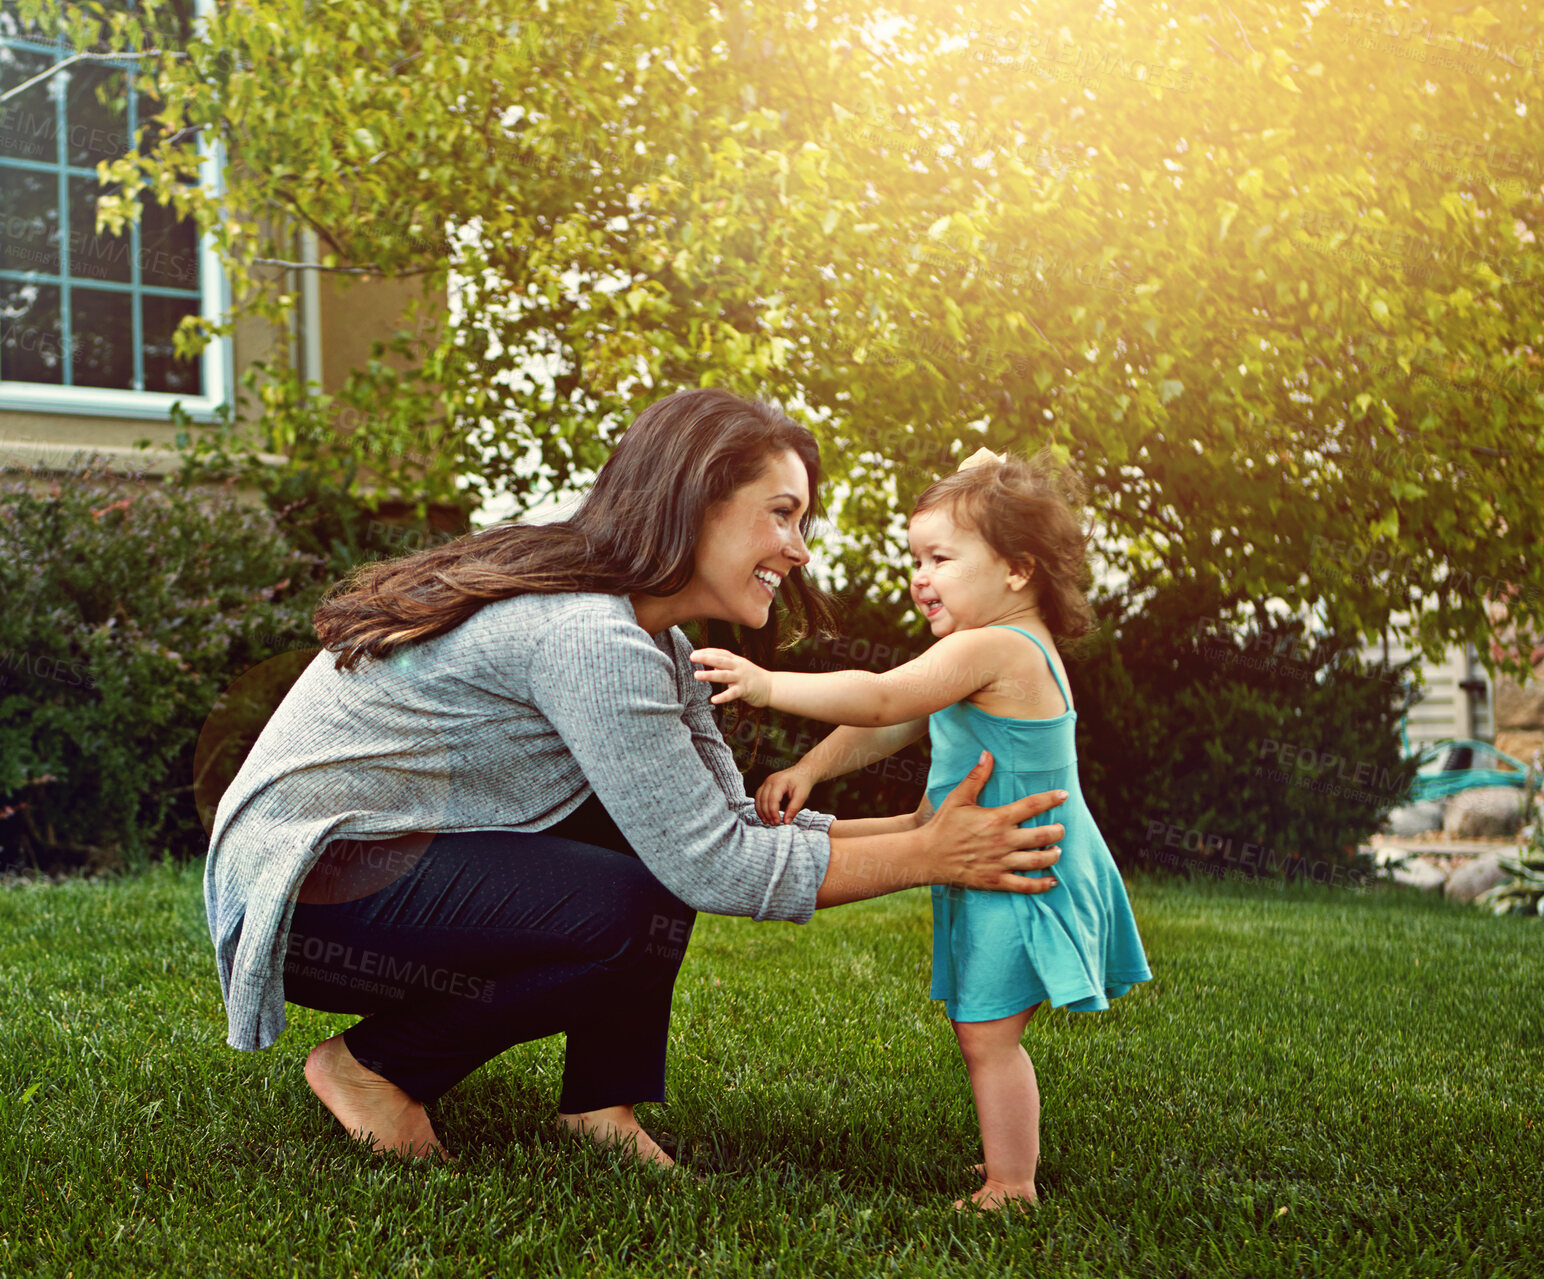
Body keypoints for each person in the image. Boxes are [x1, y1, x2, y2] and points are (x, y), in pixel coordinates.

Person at [202, 390, 1071, 1170]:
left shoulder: (654, 643)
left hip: (379, 864)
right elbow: (719, 866)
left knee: (650, 857)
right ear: (696, 500)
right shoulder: (588, 637)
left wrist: (922, 837)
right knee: (629, 905)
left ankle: (597, 1105)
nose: (798, 550)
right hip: (309, 888)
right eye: (782, 514)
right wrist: (929, 856)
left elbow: (726, 824)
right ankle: (377, 1067)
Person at [689, 444, 1152, 1211]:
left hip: (1018, 863)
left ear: (1016, 569)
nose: (920, 575)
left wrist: (768, 684)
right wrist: (812, 770)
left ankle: (1012, 1184)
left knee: (987, 1033)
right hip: (993, 850)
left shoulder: (996, 646)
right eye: (917, 557)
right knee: (984, 1026)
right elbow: (893, 720)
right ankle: (1008, 1171)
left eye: (939, 556)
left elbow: (876, 696)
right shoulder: (986, 647)